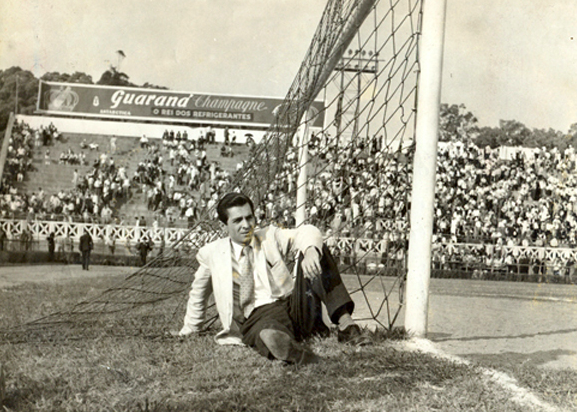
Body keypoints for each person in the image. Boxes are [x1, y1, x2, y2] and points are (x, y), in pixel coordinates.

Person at [178, 192, 370, 365]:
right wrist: (190, 329)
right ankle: (287, 347)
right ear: (224, 225)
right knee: (266, 330)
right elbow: (198, 293)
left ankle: (346, 325)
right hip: (257, 315)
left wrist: (311, 251)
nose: (246, 225)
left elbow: (307, 231)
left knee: (315, 248)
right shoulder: (211, 253)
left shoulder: (269, 236)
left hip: (293, 306)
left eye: (249, 218)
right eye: (237, 220)